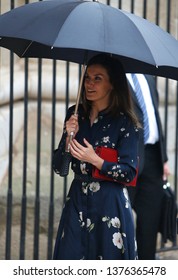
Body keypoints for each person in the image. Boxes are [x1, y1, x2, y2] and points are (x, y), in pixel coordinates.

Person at [52, 54, 140, 260]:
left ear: (112, 84)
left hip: (110, 205)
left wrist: (96, 160)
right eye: (87, 78)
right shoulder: (75, 115)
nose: (89, 84)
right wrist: (67, 137)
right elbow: (60, 168)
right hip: (77, 201)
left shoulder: (125, 122)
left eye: (97, 78)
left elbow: (129, 173)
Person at [126, 73, 170, 260]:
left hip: (153, 157)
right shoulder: (113, 75)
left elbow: (154, 115)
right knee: (122, 218)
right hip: (126, 157)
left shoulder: (149, 76)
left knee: (150, 220)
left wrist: (164, 159)